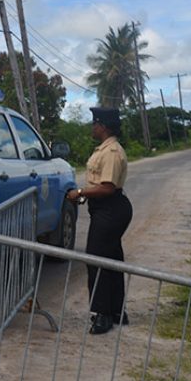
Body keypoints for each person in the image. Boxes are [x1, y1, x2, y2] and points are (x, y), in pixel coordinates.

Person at [66, 107, 133, 335]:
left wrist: (79, 192)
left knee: (96, 260)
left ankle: (103, 315)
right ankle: (116, 311)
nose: (92, 127)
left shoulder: (112, 152)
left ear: (103, 126)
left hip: (111, 209)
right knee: (111, 259)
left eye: (95, 123)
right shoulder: (104, 149)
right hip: (106, 209)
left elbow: (107, 188)